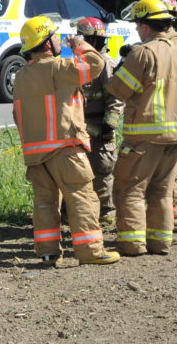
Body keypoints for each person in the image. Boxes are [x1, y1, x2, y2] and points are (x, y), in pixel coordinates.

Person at [12, 15, 121, 267]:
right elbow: (95, 64)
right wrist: (79, 45)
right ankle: (91, 252)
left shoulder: (21, 76)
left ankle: (48, 253)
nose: (60, 40)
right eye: (55, 36)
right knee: (82, 197)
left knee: (44, 203)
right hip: (65, 150)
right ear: (48, 43)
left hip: (36, 154)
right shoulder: (60, 68)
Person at [108, 0, 177, 256]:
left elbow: (119, 90)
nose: (136, 29)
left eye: (137, 24)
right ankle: (159, 243)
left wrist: (120, 66)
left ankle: (132, 244)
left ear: (146, 26)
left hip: (145, 137)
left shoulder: (144, 52)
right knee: (162, 192)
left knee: (130, 190)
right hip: (176, 137)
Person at [147, 0, 177, 233]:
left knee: (172, 174)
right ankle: (168, 220)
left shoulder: (176, 41)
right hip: (162, 115)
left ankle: (174, 220)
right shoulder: (172, 40)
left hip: (170, 115)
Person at [75, 17, 124, 224]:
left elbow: (116, 97)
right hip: (80, 127)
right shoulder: (79, 63)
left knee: (103, 170)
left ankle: (106, 213)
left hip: (100, 126)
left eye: (84, 38)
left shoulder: (105, 64)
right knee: (78, 172)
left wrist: (109, 124)